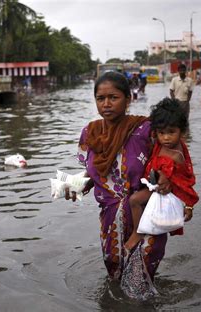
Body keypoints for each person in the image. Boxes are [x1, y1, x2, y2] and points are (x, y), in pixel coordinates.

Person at [65, 71, 174, 282]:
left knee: (141, 281)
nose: (106, 104)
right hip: (110, 220)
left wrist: (166, 178)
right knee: (115, 278)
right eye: (100, 98)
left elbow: (173, 161)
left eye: (113, 98)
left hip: (145, 215)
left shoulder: (147, 130)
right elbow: (95, 173)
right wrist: (76, 186)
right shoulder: (90, 133)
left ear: (128, 99)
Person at [125, 98, 199, 250]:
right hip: (154, 187)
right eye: (162, 133)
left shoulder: (176, 155)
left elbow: (184, 181)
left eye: (171, 132)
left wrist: (189, 206)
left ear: (182, 131)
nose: (166, 137)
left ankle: (137, 232)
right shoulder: (159, 143)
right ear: (155, 132)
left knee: (134, 200)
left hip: (163, 192)